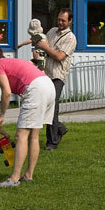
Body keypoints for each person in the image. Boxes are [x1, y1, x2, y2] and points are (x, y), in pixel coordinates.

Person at [0, 47, 55, 187]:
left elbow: (6, 92)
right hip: (48, 86)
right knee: (34, 136)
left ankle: (14, 178)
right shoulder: (13, 61)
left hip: (36, 89)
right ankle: (28, 175)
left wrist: (2, 116)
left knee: (20, 136)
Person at [35, 8, 77, 151]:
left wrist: (45, 48)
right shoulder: (52, 31)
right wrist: (38, 52)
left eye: (63, 20)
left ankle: (52, 143)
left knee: (52, 107)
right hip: (45, 74)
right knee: (46, 106)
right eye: (59, 19)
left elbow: (59, 56)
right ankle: (60, 128)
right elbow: (42, 45)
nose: (59, 22)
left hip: (58, 76)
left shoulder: (71, 38)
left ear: (70, 21)